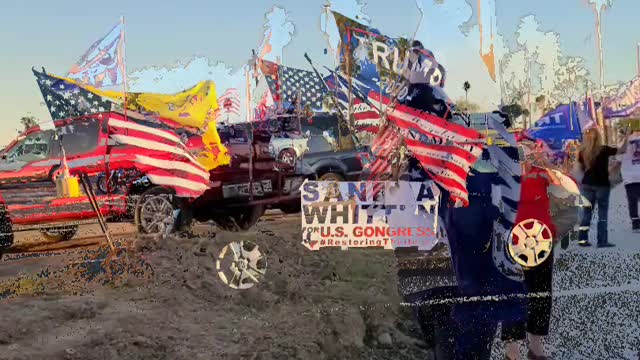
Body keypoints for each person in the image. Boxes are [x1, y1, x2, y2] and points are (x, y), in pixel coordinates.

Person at [502, 140, 558, 360]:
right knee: (514, 293)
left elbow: (567, 184)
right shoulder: (504, 176)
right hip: (513, 242)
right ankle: (512, 350)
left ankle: (536, 347)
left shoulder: (540, 173)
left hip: (542, 241)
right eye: (518, 154)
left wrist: (545, 163)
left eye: (526, 153)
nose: (523, 158)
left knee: (542, 294)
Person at [576, 128, 618, 248]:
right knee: (602, 213)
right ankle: (602, 241)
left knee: (587, 213)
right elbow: (621, 150)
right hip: (602, 185)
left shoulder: (582, 151)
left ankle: (582, 239)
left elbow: (581, 168)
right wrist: (625, 137)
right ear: (599, 137)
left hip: (587, 184)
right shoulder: (604, 149)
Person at [620, 130, 640, 232]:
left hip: (629, 176)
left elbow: (618, 158)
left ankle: (636, 224)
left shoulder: (624, 142)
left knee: (632, 200)